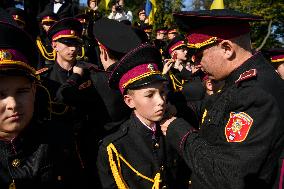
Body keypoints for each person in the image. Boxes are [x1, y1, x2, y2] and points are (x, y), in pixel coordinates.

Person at [160, 9, 284, 189]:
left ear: (227, 49)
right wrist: (178, 109)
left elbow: (227, 175)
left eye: (199, 54)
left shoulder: (256, 93)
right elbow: (214, 108)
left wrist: (178, 131)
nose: (196, 63)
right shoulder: (243, 79)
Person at [96, 43, 191, 189]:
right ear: (130, 101)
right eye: (150, 95)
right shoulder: (115, 147)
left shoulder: (175, 129)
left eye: (162, 92)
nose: (161, 101)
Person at [37, 17, 106, 188]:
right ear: (54, 45)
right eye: (67, 43)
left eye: (76, 43)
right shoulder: (43, 77)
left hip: (88, 146)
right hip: (55, 149)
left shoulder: (92, 72)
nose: (73, 48)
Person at [0, 17, 58, 189]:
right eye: (0, 95)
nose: (13, 104)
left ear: (34, 91)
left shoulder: (58, 139)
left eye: (22, 91)